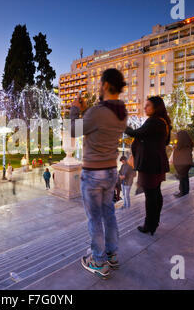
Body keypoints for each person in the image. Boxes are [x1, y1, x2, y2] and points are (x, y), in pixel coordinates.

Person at [70, 68, 128, 278]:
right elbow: (97, 128)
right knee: (109, 214)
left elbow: (74, 130)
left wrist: (75, 110)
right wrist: (87, 112)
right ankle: (111, 255)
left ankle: (98, 260)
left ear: (104, 85)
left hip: (93, 173)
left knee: (94, 218)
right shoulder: (121, 112)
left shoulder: (98, 112)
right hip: (110, 171)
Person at [125, 96, 171, 236]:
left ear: (156, 107)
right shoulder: (163, 122)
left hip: (149, 164)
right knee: (156, 193)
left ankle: (149, 225)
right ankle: (154, 223)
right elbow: (164, 141)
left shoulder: (154, 121)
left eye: (148, 105)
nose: (145, 108)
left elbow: (136, 133)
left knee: (151, 195)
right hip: (157, 162)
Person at [173, 130, 194, 198]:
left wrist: (175, 148)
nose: (176, 137)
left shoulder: (181, 145)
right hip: (187, 163)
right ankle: (185, 191)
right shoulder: (188, 144)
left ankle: (182, 192)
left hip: (181, 164)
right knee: (185, 178)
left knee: (182, 178)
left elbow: (178, 154)